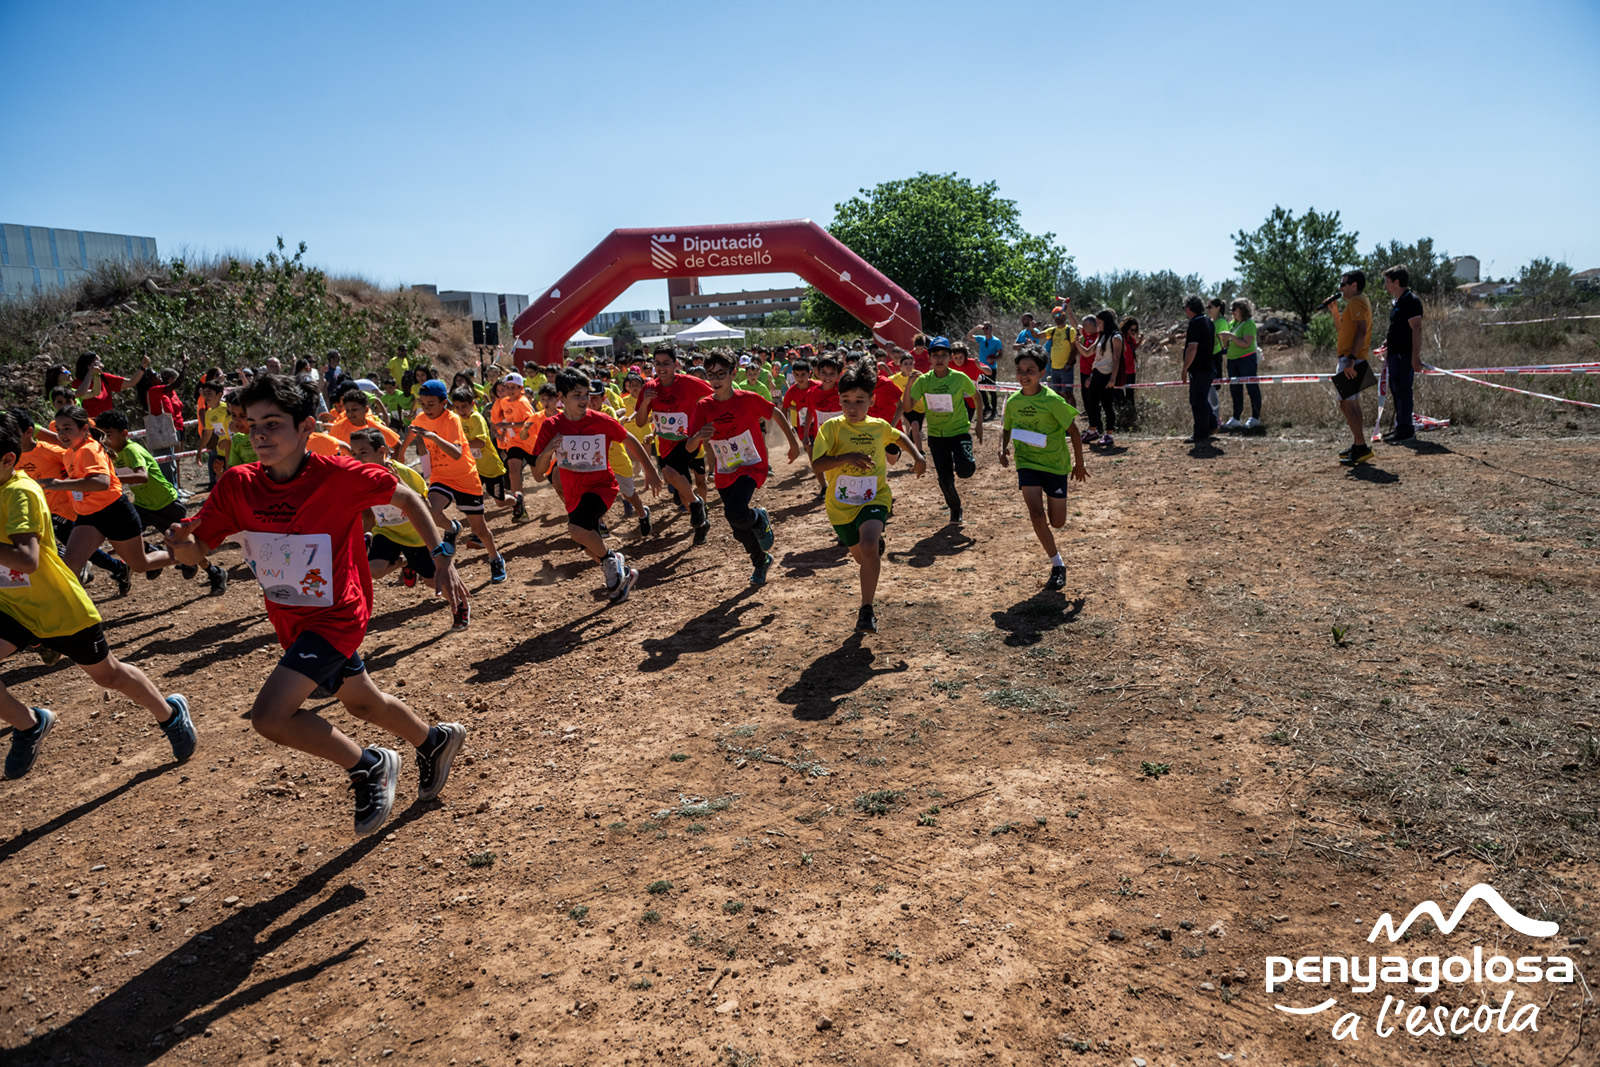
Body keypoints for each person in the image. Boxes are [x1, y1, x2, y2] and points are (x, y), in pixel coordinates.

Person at [165, 375, 468, 835]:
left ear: (307, 426)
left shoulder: (339, 475)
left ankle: (368, 765)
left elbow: (407, 496)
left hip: (338, 613)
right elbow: (198, 550)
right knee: (362, 703)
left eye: (273, 423)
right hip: (291, 617)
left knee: (270, 716)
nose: (260, 435)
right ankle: (434, 741)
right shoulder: (238, 484)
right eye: (253, 425)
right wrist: (180, 547)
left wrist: (442, 556)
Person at [0, 412, 196, 780]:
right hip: (13, 607)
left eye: (68, 427)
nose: (62, 433)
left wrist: (61, 482)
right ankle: (29, 724)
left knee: (109, 675)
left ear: (7, 460)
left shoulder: (19, 493)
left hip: (57, 607)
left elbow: (27, 559)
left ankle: (170, 714)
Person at [812, 358, 926, 633]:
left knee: (869, 544)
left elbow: (898, 437)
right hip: (840, 506)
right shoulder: (831, 428)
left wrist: (918, 456)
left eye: (859, 401)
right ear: (839, 400)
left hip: (874, 497)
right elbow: (817, 465)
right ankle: (871, 551)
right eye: (846, 401)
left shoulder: (878, 426)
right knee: (862, 556)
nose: (852, 408)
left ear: (872, 401)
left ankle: (866, 610)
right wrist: (846, 457)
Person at [531, 368, 662, 603]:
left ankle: (611, 560)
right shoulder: (551, 426)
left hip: (602, 487)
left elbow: (630, 440)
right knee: (586, 541)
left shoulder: (600, 420)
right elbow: (538, 473)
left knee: (576, 530)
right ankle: (621, 574)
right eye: (577, 395)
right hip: (574, 494)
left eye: (586, 394)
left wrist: (650, 470)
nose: (584, 400)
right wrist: (549, 449)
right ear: (561, 397)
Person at [687, 350, 804, 586]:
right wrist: (699, 436)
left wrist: (793, 443)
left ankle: (759, 518)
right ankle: (761, 561)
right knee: (737, 527)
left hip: (752, 465)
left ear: (733, 374)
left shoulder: (747, 399)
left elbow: (776, 413)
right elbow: (689, 447)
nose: (716, 380)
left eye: (721, 374)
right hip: (725, 470)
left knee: (736, 512)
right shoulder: (704, 406)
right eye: (711, 374)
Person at [347, 428, 468, 629]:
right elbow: (366, 513)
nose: (357, 459)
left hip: (416, 535)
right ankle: (404, 562)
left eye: (363, 452)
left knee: (433, 581)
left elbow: (425, 506)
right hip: (386, 533)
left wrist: (401, 483)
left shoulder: (404, 473)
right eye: (354, 454)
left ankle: (460, 605)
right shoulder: (359, 478)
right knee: (373, 570)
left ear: (381, 451)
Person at [96, 411, 228, 594]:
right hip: (143, 505)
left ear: (124, 433)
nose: (104, 439)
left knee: (186, 546)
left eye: (108, 434)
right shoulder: (112, 453)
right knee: (122, 533)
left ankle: (215, 573)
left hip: (166, 504)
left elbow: (142, 476)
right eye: (101, 435)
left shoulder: (131, 451)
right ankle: (152, 553)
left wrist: (112, 478)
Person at [46, 407, 175, 582]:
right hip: (88, 515)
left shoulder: (90, 449)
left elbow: (101, 482)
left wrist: (58, 485)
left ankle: (183, 555)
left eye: (67, 428)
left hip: (114, 512)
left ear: (84, 429)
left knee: (140, 565)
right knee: (71, 566)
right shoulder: (69, 453)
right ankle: (75, 601)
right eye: (58, 429)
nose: (61, 434)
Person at [998, 349, 1089, 590]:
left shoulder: (1052, 400)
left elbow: (1074, 432)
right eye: (1020, 370)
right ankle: (1057, 564)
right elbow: (1006, 428)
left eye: (1030, 371)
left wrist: (1080, 463)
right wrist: (1002, 448)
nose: (1023, 375)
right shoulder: (1013, 402)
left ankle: (1055, 536)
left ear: (1042, 372)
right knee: (1036, 514)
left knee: (1057, 522)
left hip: (1055, 465)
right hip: (1027, 463)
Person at [10, 411, 127, 594]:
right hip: (41, 509)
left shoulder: (50, 451)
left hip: (64, 509)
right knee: (71, 547)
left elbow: (79, 466)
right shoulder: (12, 457)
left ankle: (95, 571)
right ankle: (115, 567)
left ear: (28, 432)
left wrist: (63, 484)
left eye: (13, 432)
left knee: (73, 547)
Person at [405, 379, 506, 584]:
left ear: (444, 403)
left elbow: (457, 453)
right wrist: (398, 458)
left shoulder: (452, 420)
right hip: (441, 476)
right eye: (423, 404)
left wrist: (433, 437)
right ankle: (452, 528)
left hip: (465, 478)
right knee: (431, 511)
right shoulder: (420, 419)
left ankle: (495, 557)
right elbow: (407, 440)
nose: (426, 408)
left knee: (479, 530)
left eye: (431, 404)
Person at [633, 349, 713, 545]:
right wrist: (646, 402)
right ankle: (700, 520)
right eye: (658, 363)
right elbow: (640, 422)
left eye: (666, 363)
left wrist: (706, 418)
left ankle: (697, 505)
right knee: (681, 491)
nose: (662, 368)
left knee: (671, 473)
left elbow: (714, 395)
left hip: (689, 439)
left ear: (675, 364)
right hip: (666, 444)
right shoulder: (649, 387)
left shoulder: (689, 383)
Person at [904, 337, 982, 524]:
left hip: (959, 431)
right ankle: (955, 509)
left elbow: (977, 396)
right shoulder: (924, 381)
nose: (939, 359)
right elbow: (907, 407)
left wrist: (979, 423)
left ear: (950, 357)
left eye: (943, 355)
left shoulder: (959, 378)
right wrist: (909, 384)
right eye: (935, 355)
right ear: (929, 358)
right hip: (937, 435)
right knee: (944, 479)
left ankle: (963, 460)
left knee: (965, 470)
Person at [1323, 270, 1376, 465]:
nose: (1340, 288)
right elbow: (1343, 330)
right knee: (1349, 403)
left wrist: (1352, 360)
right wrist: (1334, 311)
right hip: (1350, 358)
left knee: (1347, 403)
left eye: (1343, 284)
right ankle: (1358, 444)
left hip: (1351, 359)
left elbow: (1361, 331)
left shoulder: (1357, 301)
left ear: (1354, 285)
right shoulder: (1355, 303)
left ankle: (1360, 446)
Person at [1380, 265, 1425, 444]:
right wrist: (1388, 342)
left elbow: (1416, 329)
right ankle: (1401, 427)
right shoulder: (1398, 302)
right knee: (1396, 390)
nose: (1385, 285)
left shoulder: (1411, 301)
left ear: (1396, 282)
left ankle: (1406, 429)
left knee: (1404, 391)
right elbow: (1398, 327)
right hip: (1394, 354)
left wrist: (1415, 357)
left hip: (1404, 355)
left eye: (1387, 282)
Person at [490, 372, 538, 521]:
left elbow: (530, 422)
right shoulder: (503, 402)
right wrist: (501, 431)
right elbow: (497, 420)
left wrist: (509, 425)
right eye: (507, 387)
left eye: (514, 387)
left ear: (521, 389)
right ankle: (519, 506)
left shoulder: (523, 402)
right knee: (513, 469)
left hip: (530, 442)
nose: (510, 390)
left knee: (539, 476)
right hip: (514, 443)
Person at [451, 387, 507, 504]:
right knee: (469, 496)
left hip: (490, 468)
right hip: (474, 468)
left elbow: (480, 443)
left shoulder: (476, 418)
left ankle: (517, 500)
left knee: (500, 502)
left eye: (464, 406)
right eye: (457, 407)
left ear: (472, 404)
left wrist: (459, 445)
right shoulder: (457, 418)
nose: (461, 410)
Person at [1217, 300, 1263, 433]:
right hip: (1232, 360)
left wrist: (1230, 336)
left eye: (1234, 310)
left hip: (1246, 359)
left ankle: (1255, 417)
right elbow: (1227, 346)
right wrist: (1225, 340)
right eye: (1231, 310)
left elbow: (1246, 343)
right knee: (1235, 389)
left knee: (1251, 387)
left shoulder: (1249, 324)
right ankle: (1236, 417)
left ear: (1242, 310)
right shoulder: (1232, 324)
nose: (1232, 312)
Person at [1180, 296, 1217, 446]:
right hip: (1208, 366)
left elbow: (1192, 348)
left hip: (1199, 368)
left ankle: (1201, 433)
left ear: (1189, 308)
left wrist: (1184, 368)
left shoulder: (1195, 323)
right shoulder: (1208, 321)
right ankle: (1212, 424)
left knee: (1197, 400)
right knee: (1201, 399)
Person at [1084, 309, 1123, 449]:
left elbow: (1116, 358)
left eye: (1099, 322)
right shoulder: (1101, 336)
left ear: (1106, 322)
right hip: (1097, 373)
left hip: (1107, 374)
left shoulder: (1116, 337)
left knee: (1107, 405)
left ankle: (1109, 434)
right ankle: (1093, 430)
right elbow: (1089, 353)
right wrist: (1076, 343)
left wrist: (1113, 378)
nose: (1097, 325)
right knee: (1092, 402)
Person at [71, 352, 131, 420]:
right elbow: (81, 394)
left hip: (108, 421)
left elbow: (96, 392)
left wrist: (96, 374)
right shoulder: (76, 384)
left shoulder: (103, 377)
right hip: (90, 422)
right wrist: (91, 372)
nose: (102, 365)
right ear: (89, 365)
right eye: (98, 361)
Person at [1040, 303, 1078, 401]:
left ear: (1064, 315)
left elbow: (1074, 349)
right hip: (1054, 369)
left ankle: (1071, 411)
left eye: (1058, 314)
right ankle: (1060, 411)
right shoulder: (1052, 330)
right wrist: (1031, 328)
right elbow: (1037, 335)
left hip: (1066, 368)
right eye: (1054, 316)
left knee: (1068, 394)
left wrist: (1069, 364)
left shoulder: (1070, 330)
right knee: (1057, 394)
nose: (1056, 317)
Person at [968, 321, 1004, 421]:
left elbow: (1000, 354)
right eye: (984, 328)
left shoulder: (996, 341)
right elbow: (969, 336)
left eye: (987, 328)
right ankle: (987, 407)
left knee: (992, 390)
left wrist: (994, 358)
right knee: (980, 388)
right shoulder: (981, 339)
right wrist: (976, 328)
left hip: (991, 369)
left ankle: (994, 410)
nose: (985, 330)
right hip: (981, 368)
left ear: (991, 329)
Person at [1116, 318, 1141, 429]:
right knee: (1120, 397)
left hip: (1131, 371)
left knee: (1130, 397)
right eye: (1132, 330)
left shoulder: (1131, 339)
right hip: (1121, 371)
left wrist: (1139, 342)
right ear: (1126, 328)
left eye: (1135, 330)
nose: (1133, 332)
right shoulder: (1120, 338)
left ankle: (1131, 421)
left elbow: (1133, 349)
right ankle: (1121, 420)